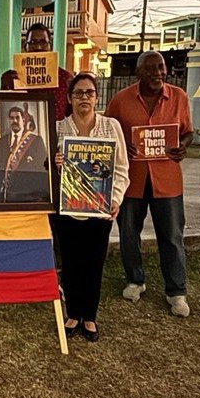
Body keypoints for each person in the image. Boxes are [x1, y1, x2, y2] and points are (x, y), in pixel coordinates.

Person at [105, 49, 194, 316]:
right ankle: (135, 279)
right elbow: (108, 132)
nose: (157, 73)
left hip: (167, 180)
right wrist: (123, 147)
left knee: (172, 236)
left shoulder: (179, 97)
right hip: (131, 180)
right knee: (129, 233)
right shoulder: (121, 100)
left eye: (161, 68)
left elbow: (187, 133)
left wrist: (182, 147)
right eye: (151, 69)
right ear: (139, 72)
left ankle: (176, 291)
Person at [54, 72, 130, 341]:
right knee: (71, 261)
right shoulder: (58, 128)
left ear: (97, 97)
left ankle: (90, 316)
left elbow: (121, 168)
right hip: (67, 208)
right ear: (69, 98)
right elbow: (47, 171)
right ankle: (73, 312)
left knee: (94, 262)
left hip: (99, 208)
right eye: (78, 93)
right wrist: (56, 163)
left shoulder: (111, 127)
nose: (83, 98)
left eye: (89, 93)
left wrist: (116, 199)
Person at [0, 21, 71, 120]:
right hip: (23, 133)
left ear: (50, 46)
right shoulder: (13, 78)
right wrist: (4, 88)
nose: (38, 47)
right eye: (32, 42)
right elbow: (3, 109)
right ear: (25, 47)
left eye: (43, 42)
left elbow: (71, 115)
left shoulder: (64, 78)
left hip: (57, 133)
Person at [0, 104, 50, 203]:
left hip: (29, 197)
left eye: (17, 118)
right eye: (11, 118)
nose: (14, 121)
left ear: (23, 120)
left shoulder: (36, 141)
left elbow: (43, 170)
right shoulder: (1, 141)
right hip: (7, 197)